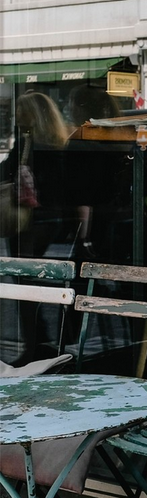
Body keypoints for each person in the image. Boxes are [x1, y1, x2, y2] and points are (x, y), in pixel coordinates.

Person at [2, 92, 70, 365]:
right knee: (36, 281)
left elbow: (7, 171)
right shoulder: (58, 144)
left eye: (20, 112)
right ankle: (46, 343)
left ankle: (35, 344)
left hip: (28, 222)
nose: (15, 118)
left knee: (23, 281)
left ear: (32, 115)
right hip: (50, 220)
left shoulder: (28, 143)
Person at [67, 85, 121, 257]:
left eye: (70, 104)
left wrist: (83, 237)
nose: (68, 109)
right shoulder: (112, 137)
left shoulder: (81, 140)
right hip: (112, 211)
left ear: (80, 107)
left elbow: (82, 193)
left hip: (93, 219)